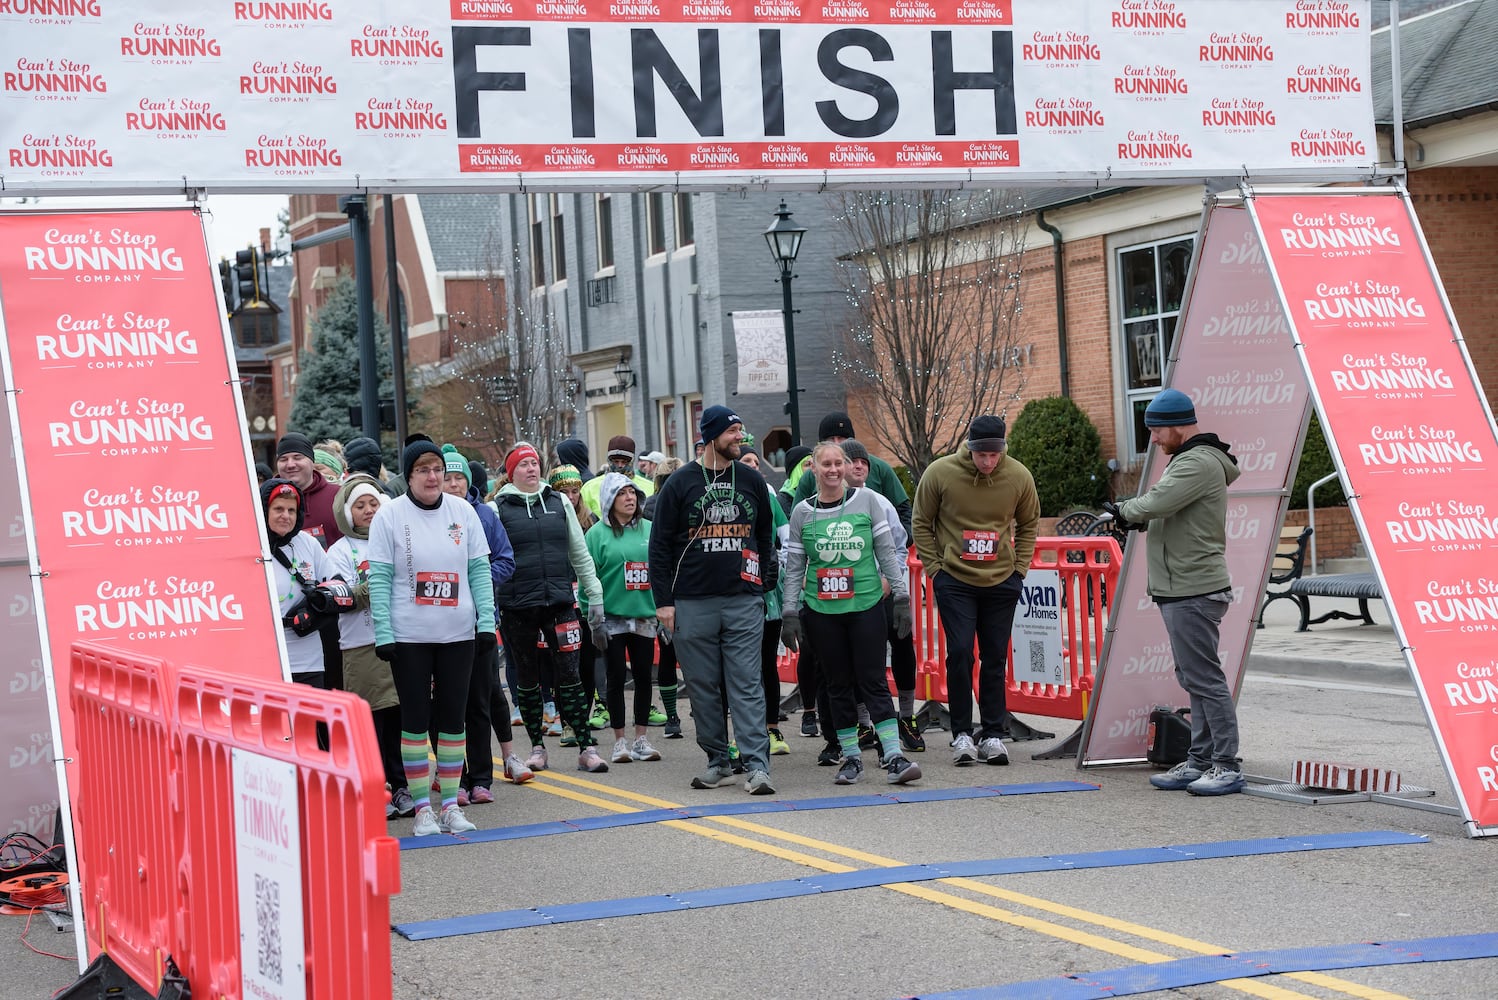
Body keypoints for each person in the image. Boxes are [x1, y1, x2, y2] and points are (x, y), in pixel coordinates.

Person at [1111, 388, 1245, 797]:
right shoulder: (1189, 459)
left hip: (1194, 586)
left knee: (1205, 679)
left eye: (1156, 431)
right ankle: (1201, 760)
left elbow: (1158, 502)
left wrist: (1123, 511)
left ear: (1177, 426)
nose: (1152, 439)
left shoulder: (1198, 462)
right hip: (1182, 586)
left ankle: (1226, 764)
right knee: (1193, 677)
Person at [366, 440, 495, 837]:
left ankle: (451, 805)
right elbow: (380, 579)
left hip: (457, 633)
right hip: (410, 636)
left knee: (453, 722)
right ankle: (423, 809)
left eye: (437, 468)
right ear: (409, 475)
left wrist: (487, 622)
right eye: (422, 469)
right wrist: (384, 632)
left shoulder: (463, 512)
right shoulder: (389, 516)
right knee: (416, 722)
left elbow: (478, 571)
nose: (433, 476)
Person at [648, 405, 778, 795]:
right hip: (691, 602)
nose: (740, 438)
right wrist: (664, 603)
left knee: (746, 684)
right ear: (710, 436)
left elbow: (765, 536)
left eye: (741, 431)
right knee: (703, 686)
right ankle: (718, 761)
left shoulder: (751, 480)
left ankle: (757, 766)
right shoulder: (680, 483)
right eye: (733, 432)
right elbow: (658, 548)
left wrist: (762, 584)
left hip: (742, 601)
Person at [782, 443, 920, 785]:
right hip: (822, 611)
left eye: (837, 463)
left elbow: (887, 552)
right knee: (838, 684)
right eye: (825, 464)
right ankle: (852, 758)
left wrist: (901, 596)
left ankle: (894, 756)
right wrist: (789, 612)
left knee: (872, 679)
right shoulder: (802, 512)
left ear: (846, 467)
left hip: (866, 606)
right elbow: (796, 566)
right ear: (813, 469)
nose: (832, 469)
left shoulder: (867, 500)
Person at [912, 415, 1039, 767]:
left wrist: (1019, 570)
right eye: (981, 454)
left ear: (1003, 449)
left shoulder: (1018, 476)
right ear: (969, 448)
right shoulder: (940, 473)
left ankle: (994, 734)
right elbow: (921, 521)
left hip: (1001, 580)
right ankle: (962, 734)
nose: (987, 462)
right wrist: (936, 570)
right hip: (955, 580)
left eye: (994, 454)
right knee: (960, 653)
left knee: (996, 658)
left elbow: (1029, 523)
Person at [493, 442, 610, 773]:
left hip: (560, 602)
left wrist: (595, 596)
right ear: (511, 473)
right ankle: (537, 747)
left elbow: (580, 554)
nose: (531, 468)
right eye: (524, 464)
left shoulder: (559, 502)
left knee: (570, 674)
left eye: (535, 463)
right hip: (517, 606)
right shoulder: (496, 509)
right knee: (528, 677)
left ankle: (586, 746)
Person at [441, 444, 529, 803]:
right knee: (448, 705)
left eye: (459, 477)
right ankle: (453, 777)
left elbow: (506, 561)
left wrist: (472, 579)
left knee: (481, 699)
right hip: (438, 624)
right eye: (447, 478)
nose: (453, 484)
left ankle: (481, 778)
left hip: (480, 619)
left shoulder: (484, 516)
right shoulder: (424, 517)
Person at [325, 473, 412, 818]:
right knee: (370, 723)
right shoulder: (339, 551)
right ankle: (377, 789)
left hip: (401, 638)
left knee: (399, 719)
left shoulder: (395, 541)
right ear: (347, 512)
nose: (368, 511)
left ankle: (403, 785)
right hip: (361, 644)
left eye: (373, 504)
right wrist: (379, 584)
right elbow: (342, 596)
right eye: (359, 505)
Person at [843, 440, 924, 754]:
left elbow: (900, 545)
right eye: (852, 461)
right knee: (862, 658)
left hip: (886, 588)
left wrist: (888, 580)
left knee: (902, 644)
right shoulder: (825, 504)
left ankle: (906, 716)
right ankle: (865, 723)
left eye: (864, 462)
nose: (860, 466)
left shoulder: (881, 502)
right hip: (851, 594)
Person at [584, 473, 664, 765]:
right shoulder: (595, 535)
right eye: (622, 494)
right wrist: (593, 619)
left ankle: (641, 738)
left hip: (644, 616)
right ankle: (620, 742)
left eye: (632, 493)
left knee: (644, 677)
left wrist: (666, 610)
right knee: (615, 677)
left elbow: (662, 570)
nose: (630, 498)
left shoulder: (651, 529)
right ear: (609, 500)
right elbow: (586, 577)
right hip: (611, 618)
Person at [262, 478, 345, 689]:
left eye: (292, 510)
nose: (285, 516)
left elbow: (338, 585)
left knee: (308, 722)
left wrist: (317, 607)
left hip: (308, 658)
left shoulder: (307, 543)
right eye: (278, 509)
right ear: (264, 510)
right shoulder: (251, 545)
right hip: (265, 656)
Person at [581, 435, 655, 518]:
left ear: (632, 461)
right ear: (609, 460)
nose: (620, 466)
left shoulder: (650, 487)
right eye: (615, 461)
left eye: (624, 462)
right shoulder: (589, 488)